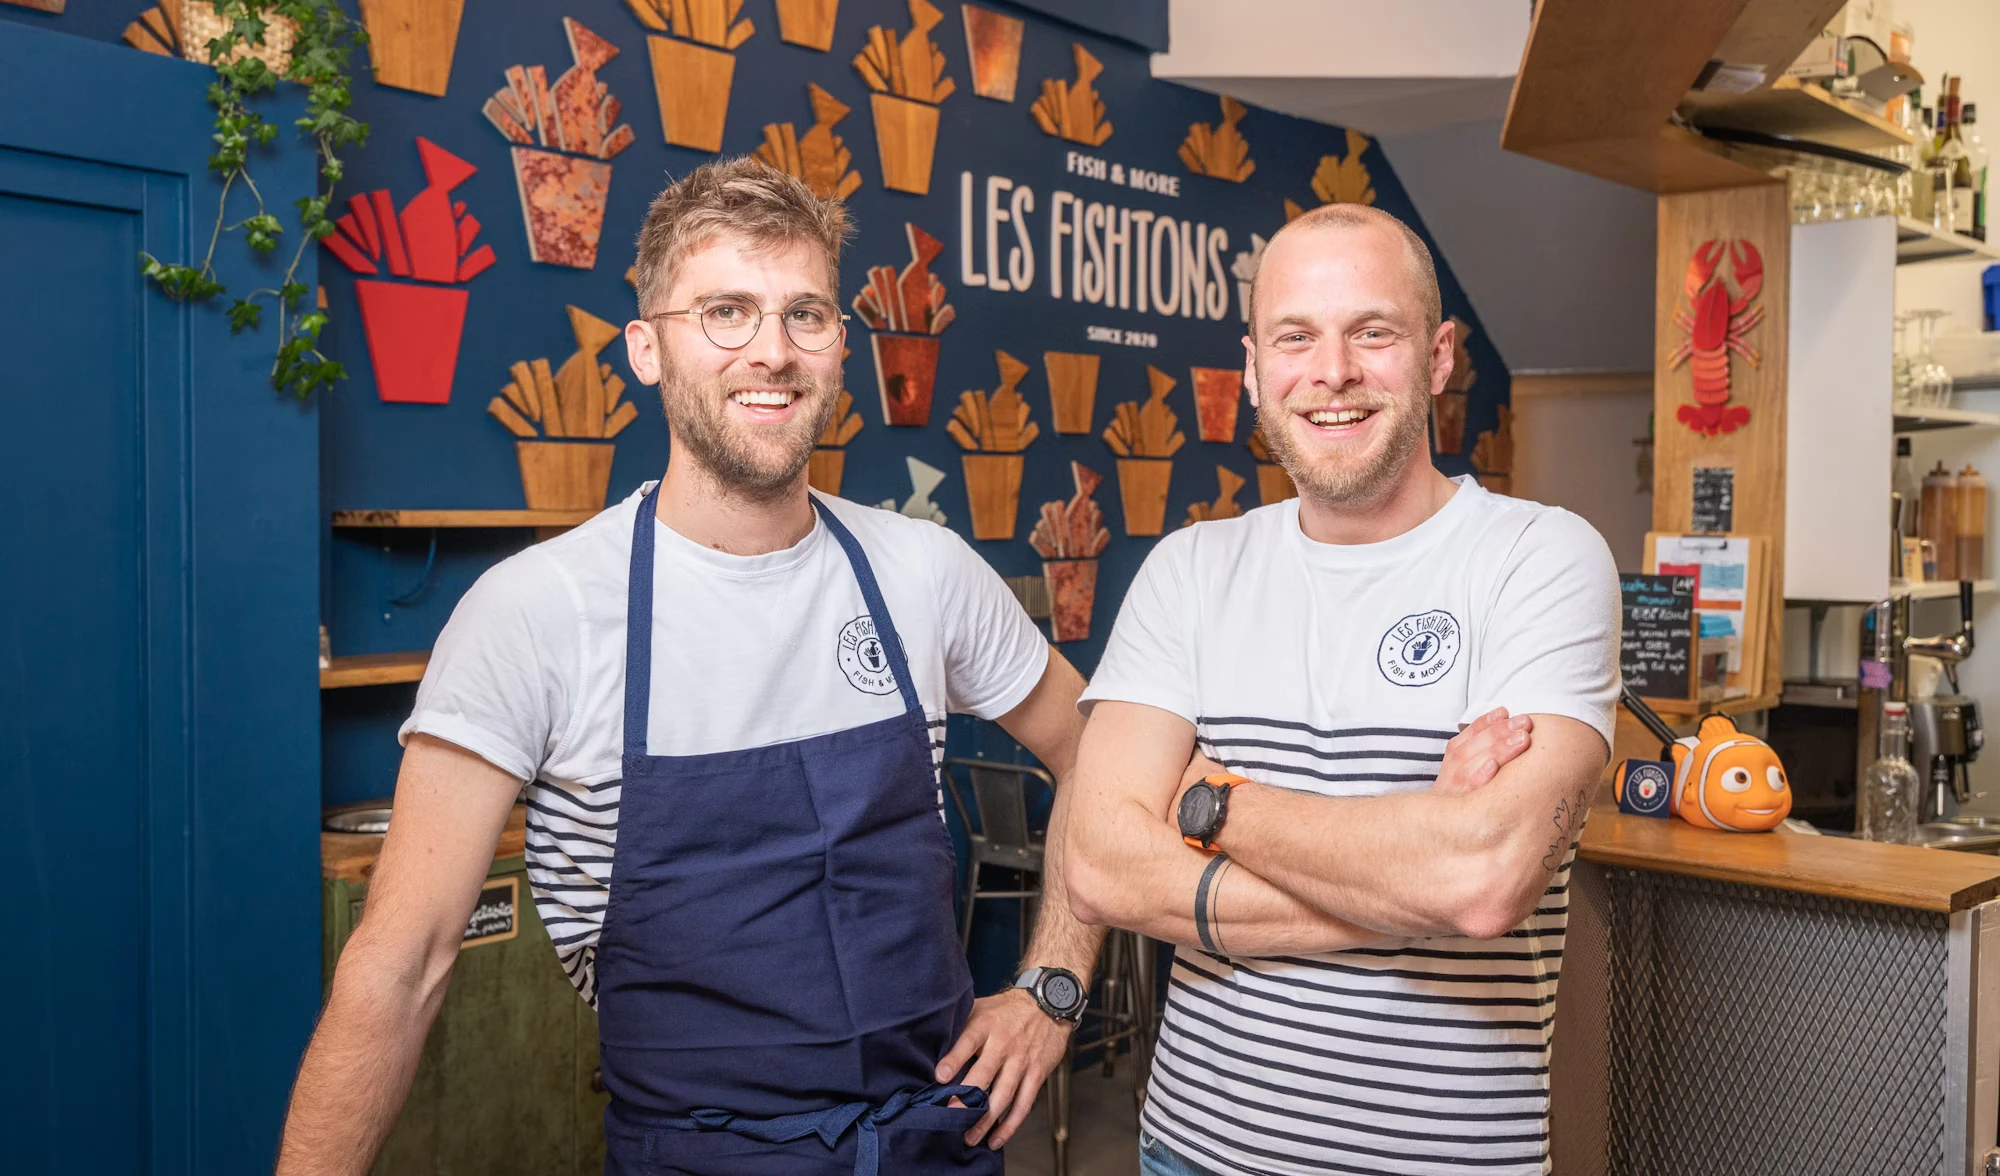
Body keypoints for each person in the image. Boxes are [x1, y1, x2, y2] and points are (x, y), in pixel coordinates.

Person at [276, 158, 1105, 1176]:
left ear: (840, 347)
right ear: (645, 349)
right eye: (725, 312)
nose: (772, 351)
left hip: (935, 1143)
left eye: (805, 314)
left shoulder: (922, 572)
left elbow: (1098, 758)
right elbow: (396, 969)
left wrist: (1051, 988)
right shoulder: (536, 614)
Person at [1058, 202, 1619, 1176]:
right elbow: (1101, 865)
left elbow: (1481, 879)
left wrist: (1209, 803)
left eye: (1372, 331)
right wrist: (1410, 857)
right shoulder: (1191, 569)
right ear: (1250, 369)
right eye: (1294, 337)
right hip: (1192, 1152)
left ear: (1438, 355)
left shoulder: (1540, 557)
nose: (1331, 373)